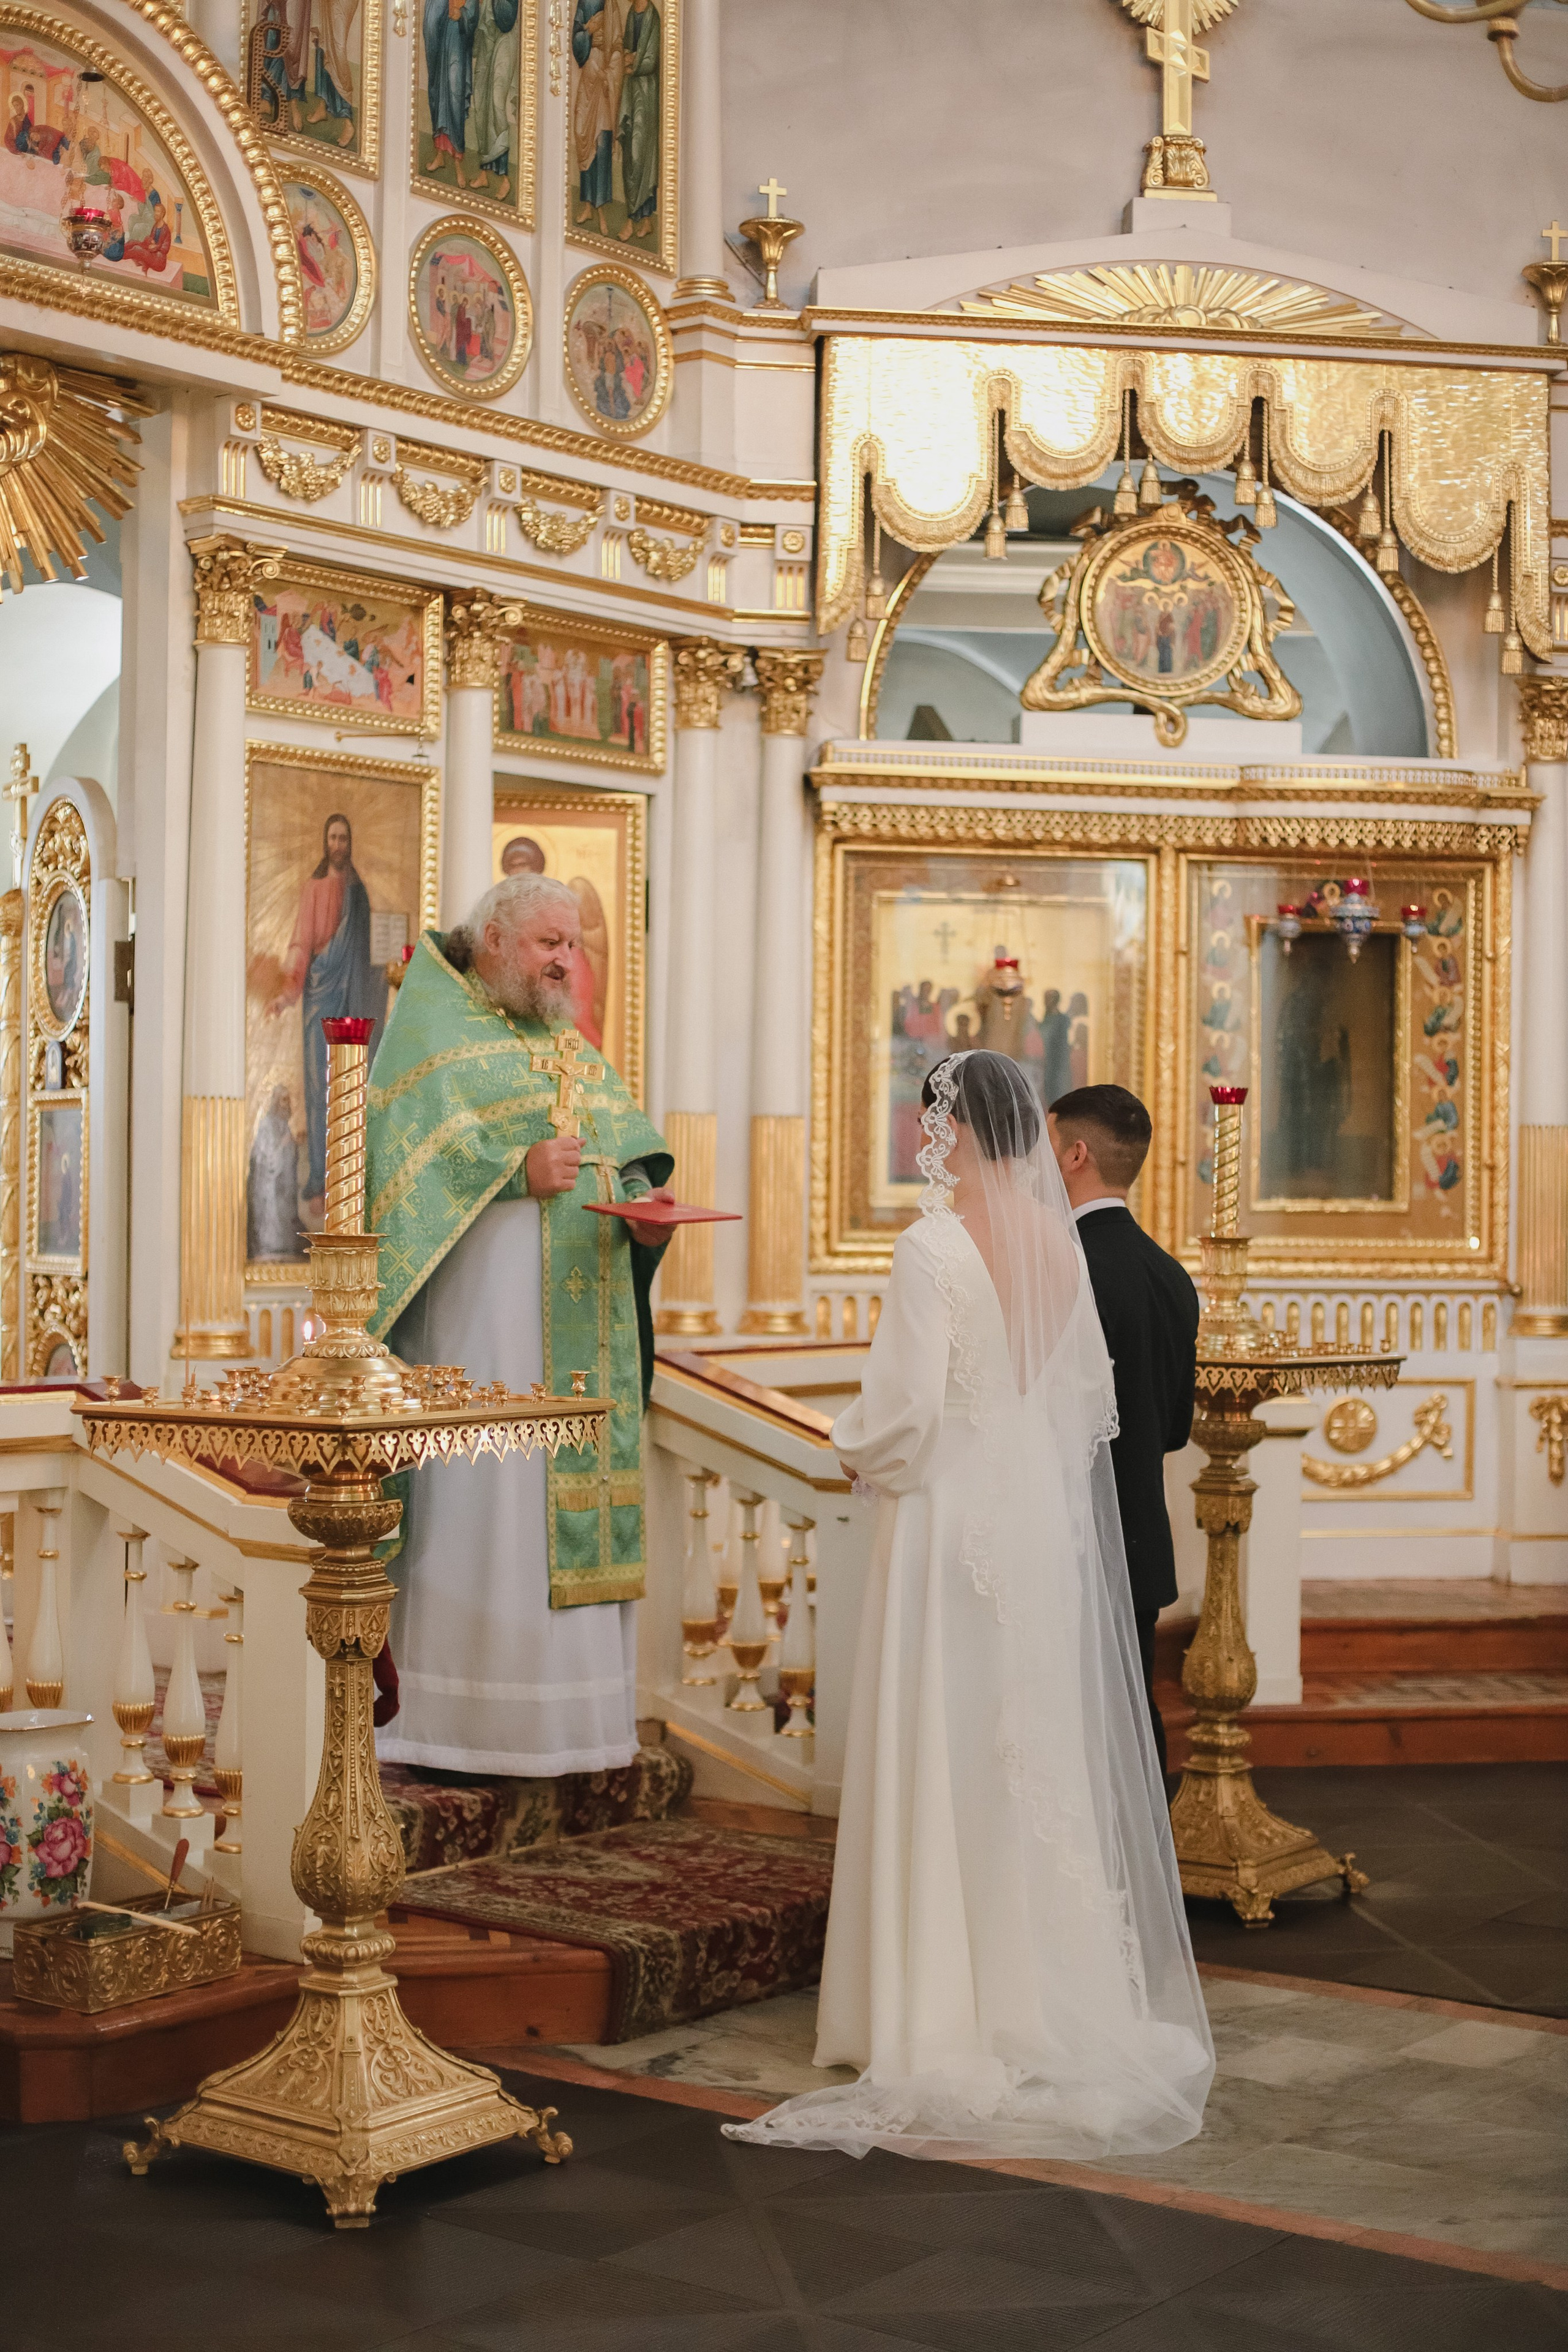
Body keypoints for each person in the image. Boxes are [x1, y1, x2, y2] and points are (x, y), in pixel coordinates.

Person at [728, 1051, 1212, 2163]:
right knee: (1021, 1747)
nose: (918, 1140)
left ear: (956, 1128)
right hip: (1038, 1523)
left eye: (927, 1120)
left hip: (948, 1522)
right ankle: (1034, 1997)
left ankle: (931, 2010)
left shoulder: (933, 1245)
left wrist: (848, 1449)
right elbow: (1086, 1404)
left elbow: (899, 1410)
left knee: (944, 1743)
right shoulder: (1058, 1243)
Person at [364, 875, 673, 1775]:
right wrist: (512, 1173)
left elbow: (622, 1156)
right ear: (494, 940)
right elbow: (402, 1180)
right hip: (479, 1336)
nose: (565, 962)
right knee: (490, 1504)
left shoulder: (566, 1042)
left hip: (579, 1330)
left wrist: (644, 1211)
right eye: (547, 943)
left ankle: (574, 1726)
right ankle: (464, 1725)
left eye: (572, 945)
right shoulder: (433, 1031)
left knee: (556, 1496)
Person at [1047, 1083, 1199, 1776]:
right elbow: (1171, 1428)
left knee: (1072, 1733)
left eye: (1045, 1146)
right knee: (1131, 1726)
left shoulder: (1065, 1269)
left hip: (1069, 1538)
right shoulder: (1170, 1275)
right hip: (1138, 1538)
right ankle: (1145, 1878)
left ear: (1075, 1154)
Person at [266, 812, 386, 1223]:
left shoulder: (360, 893)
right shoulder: (314, 889)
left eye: (343, 838)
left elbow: (373, 950)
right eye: (332, 837)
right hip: (321, 992)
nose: (338, 844)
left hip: (356, 996)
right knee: (321, 1085)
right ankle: (320, 1181)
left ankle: (351, 1181)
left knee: (352, 1085)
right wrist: (285, 994)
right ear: (325, 842)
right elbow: (302, 944)